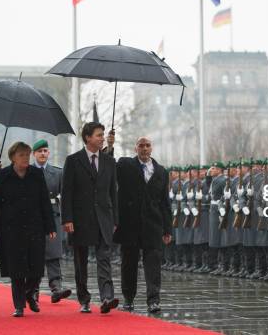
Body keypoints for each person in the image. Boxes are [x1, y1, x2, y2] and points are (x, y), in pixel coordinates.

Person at [0, 142, 56, 317]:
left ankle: (29, 293)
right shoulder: (3, 175)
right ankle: (19, 305)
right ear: (13, 158)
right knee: (17, 269)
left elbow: (44, 202)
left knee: (37, 268)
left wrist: (50, 226)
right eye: (21, 155)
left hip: (35, 227)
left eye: (27, 154)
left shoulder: (36, 174)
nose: (25, 158)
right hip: (11, 229)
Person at [61, 122, 119, 314]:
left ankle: (107, 297)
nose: (102, 137)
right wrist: (67, 219)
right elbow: (66, 192)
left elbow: (113, 193)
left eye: (102, 135)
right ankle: (84, 299)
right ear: (87, 137)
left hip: (104, 218)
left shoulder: (109, 161)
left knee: (104, 258)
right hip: (80, 219)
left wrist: (115, 220)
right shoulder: (73, 160)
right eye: (98, 135)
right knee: (81, 262)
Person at [114, 137, 172, 313]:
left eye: (147, 146)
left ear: (152, 148)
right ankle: (129, 298)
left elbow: (164, 202)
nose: (145, 149)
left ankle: (153, 300)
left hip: (153, 225)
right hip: (130, 224)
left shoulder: (161, 172)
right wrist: (109, 145)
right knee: (129, 264)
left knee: (153, 264)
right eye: (141, 146)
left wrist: (167, 228)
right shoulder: (125, 165)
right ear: (135, 148)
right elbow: (107, 164)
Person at [31, 139, 72, 303]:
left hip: (53, 215)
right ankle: (33, 290)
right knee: (34, 254)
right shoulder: (28, 171)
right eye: (39, 151)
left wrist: (67, 217)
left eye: (45, 151)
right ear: (34, 154)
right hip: (33, 217)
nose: (42, 154)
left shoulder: (57, 172)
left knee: (54, 253)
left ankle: (56, 288)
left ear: (48, 153)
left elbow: (66, 195)